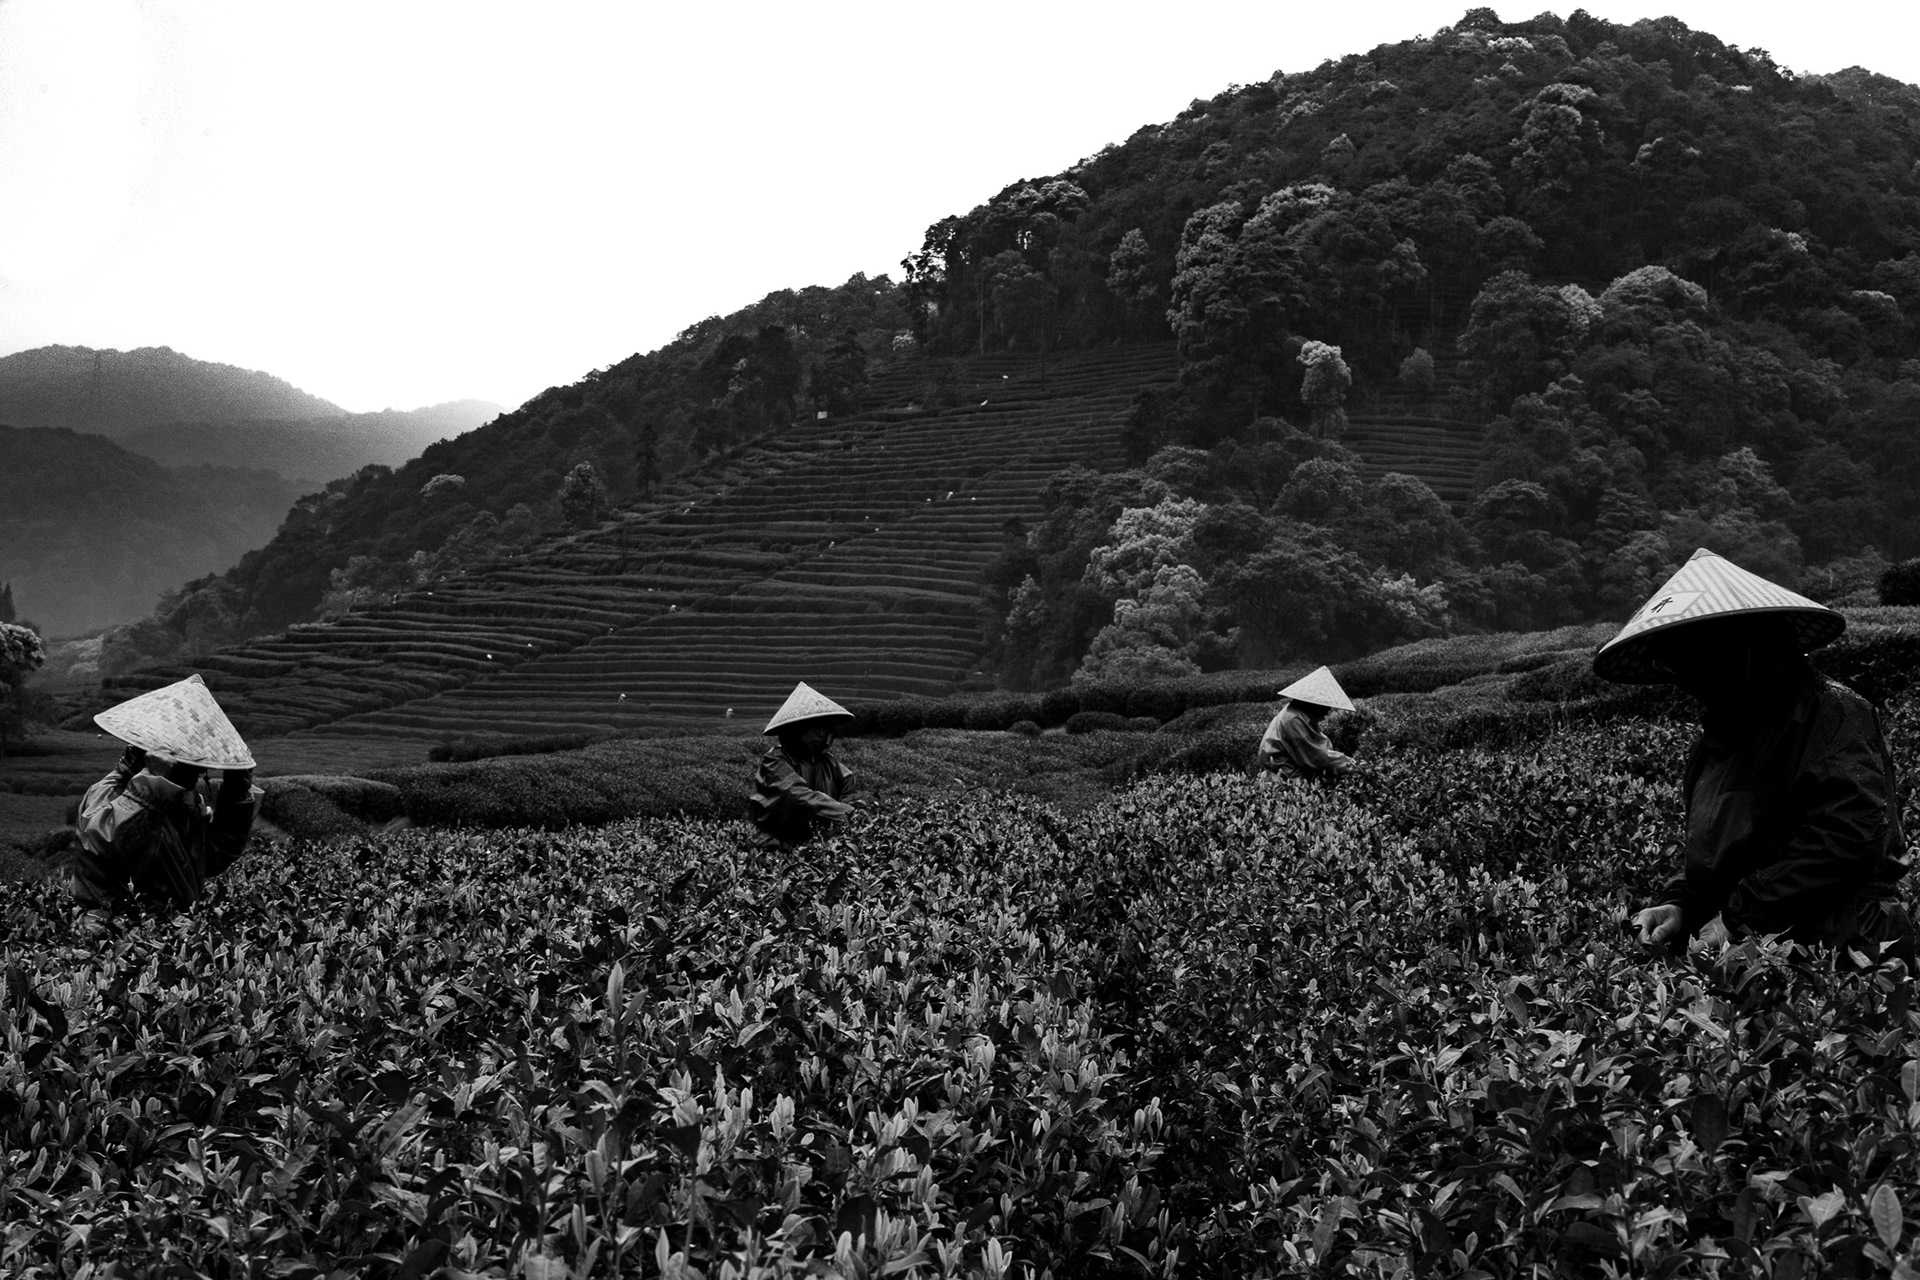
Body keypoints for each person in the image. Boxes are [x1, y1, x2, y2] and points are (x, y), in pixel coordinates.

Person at [1597, 549, 1914, 965]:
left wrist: (1743, 914)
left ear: (1743, 646)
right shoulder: (1720, 738)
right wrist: (1680, 905)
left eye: (1694, 658)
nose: (1686, 680)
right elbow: (1724, 859)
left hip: (1847, 943)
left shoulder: (1827, 712)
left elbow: (1852, 834)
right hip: (1759, 949)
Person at [70, 674, 261, 934]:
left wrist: (235, 796)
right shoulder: (108, 793)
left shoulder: (182, 798)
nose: (198, 774)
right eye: (188, 765)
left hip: (171, 930)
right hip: (113, 934)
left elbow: (212, 858)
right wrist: (152, 784)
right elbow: (111, 846)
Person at [749, 682, 857, 853]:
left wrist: (857, 811)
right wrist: (849, 814)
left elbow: (849, 789)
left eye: (825, 727)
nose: (821, 733)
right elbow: (798, 795)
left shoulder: (830, 764)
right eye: (814, 727)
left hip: (816, 847)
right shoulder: (776, 761)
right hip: (775, 847)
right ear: (796, 730)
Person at [1258, 666, 1357, 780]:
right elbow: (1318, 758)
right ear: (1314, 703)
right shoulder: (1294, 719)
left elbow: (1319, 744)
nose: (1328, 709)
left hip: (1288, 772)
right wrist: (1352, 766)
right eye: (1325, 704)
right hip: (1283, 777)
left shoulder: (1299, 713)